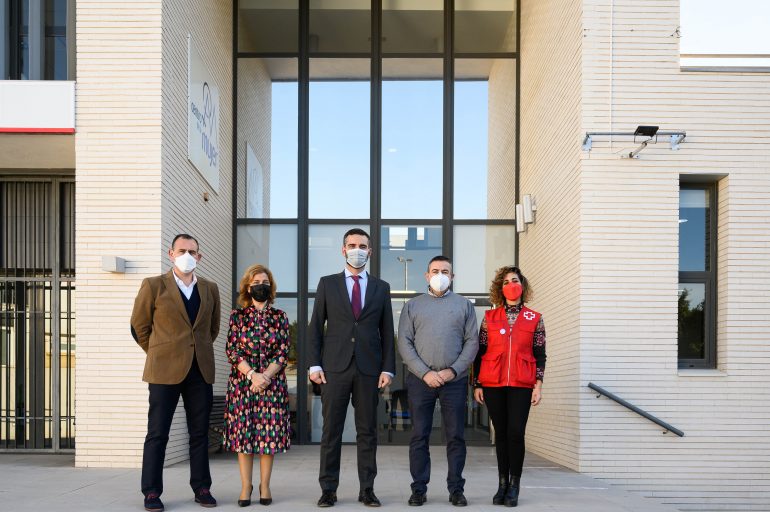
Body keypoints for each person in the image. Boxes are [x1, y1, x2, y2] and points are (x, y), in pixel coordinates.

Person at [130, 234, 221, 512]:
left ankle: (202, 487)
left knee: (199, 434)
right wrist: (160, 352)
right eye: (182, 250)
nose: (187, 255)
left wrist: (194, 352)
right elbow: (139, 327)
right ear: (171, 254)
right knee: (158, 433)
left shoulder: (210, 288)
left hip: (200, 370)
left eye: (193, 251)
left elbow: (212, 330)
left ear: (200, 256)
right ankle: (151, 491)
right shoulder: (154, 285)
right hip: (163, 371)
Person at [308, 228, 396, 508]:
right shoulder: (327, 284)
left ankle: (367, 488)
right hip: (334, 368)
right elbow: (315, 329)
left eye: (363, 246)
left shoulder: (381, 288)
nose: (357, 249)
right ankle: (328, 489)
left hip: (370, 370)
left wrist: (388, 369)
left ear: (370, 251)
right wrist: (313, 364)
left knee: (367, 431)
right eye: (352, 245)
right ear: (343, 249)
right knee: (331, 431)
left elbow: (387, 331)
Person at [397, 255, 479, 507]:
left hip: (454, 381)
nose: (440, 275)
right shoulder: (413, 306)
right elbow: (404, 342)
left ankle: (456, 489)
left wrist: (452, 371)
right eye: (435, 270)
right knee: (419, 435)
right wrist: (425, 373)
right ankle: (418, 489)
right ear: (426, 275)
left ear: (452, 277)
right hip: (421, 381)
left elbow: (472, 342)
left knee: (455, 436)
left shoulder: (464, 305)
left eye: (445, 271)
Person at [473, 266, 546, 508]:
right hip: (493, 383)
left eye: (514, 280)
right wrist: (477, 383)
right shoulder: (489, 318)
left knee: (516, 433)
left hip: (521, 384)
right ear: (500, 288)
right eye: (505, 281)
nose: (510, 284)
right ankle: (502, 483)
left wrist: (538, 384)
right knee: (501, 434)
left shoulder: (534, 318)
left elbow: (540, 353)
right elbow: (480, 351)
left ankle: (514, 485)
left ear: (522, 285)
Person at [223, 264, 291, 507]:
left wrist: (266, 377)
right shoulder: (237, 316)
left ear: (269, 287)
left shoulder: (280, 316)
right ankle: (245, 486)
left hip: (271, 387)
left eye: (264, 282)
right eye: (255, 283)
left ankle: (264, 485)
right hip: (243, 386)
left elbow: (283, 351)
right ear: (247, 288)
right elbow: (232, 350)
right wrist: (253, 375)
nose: (260, 286)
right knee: (244, 437)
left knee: (267, 437)